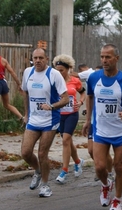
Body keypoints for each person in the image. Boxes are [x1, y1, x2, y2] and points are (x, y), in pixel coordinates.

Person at [82, 43, 122, 210]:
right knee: (100, 167)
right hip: (100, 129)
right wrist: (87, 120)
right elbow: (90, 97)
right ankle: (106, 185)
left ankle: (118, 199)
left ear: (117, 58)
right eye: (102, 56)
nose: (104, 60)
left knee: (119, 166)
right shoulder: (94, 78)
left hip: (120, 130)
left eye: (108, 57)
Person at [20, 48, 69, 197]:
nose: (38, 61)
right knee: (25, 152)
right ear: (32, 59)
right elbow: (26, 93)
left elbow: (65, 98)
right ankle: (38, 170)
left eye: (41, 58)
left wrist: (52, 106)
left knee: (42, 153)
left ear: (47, 59)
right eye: (35, 58)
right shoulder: (28, 72)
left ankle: (46, 186)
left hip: (50, 120)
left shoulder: (54, 74)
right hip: (34, 119)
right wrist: (27, 114)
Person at [75, 63, 114, 181]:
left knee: (103, 150)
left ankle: (109, 171)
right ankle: (101, 167)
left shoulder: (108, 86)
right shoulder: (92, 83)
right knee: (91, 150)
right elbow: (89, 99)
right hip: (93, 121)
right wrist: (87, 118)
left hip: (105, 121)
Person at [52, 54, 86, 184]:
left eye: (62, 70)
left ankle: (64, 170)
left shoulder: (74, 81)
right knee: (68, 141)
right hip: (59, 115)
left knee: (66, 140)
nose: (59, 73)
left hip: (72, 114)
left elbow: (83, 92)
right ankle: (77, 161)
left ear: (68, 69)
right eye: (57, 70)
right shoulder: (54, 81)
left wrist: (81, 102)